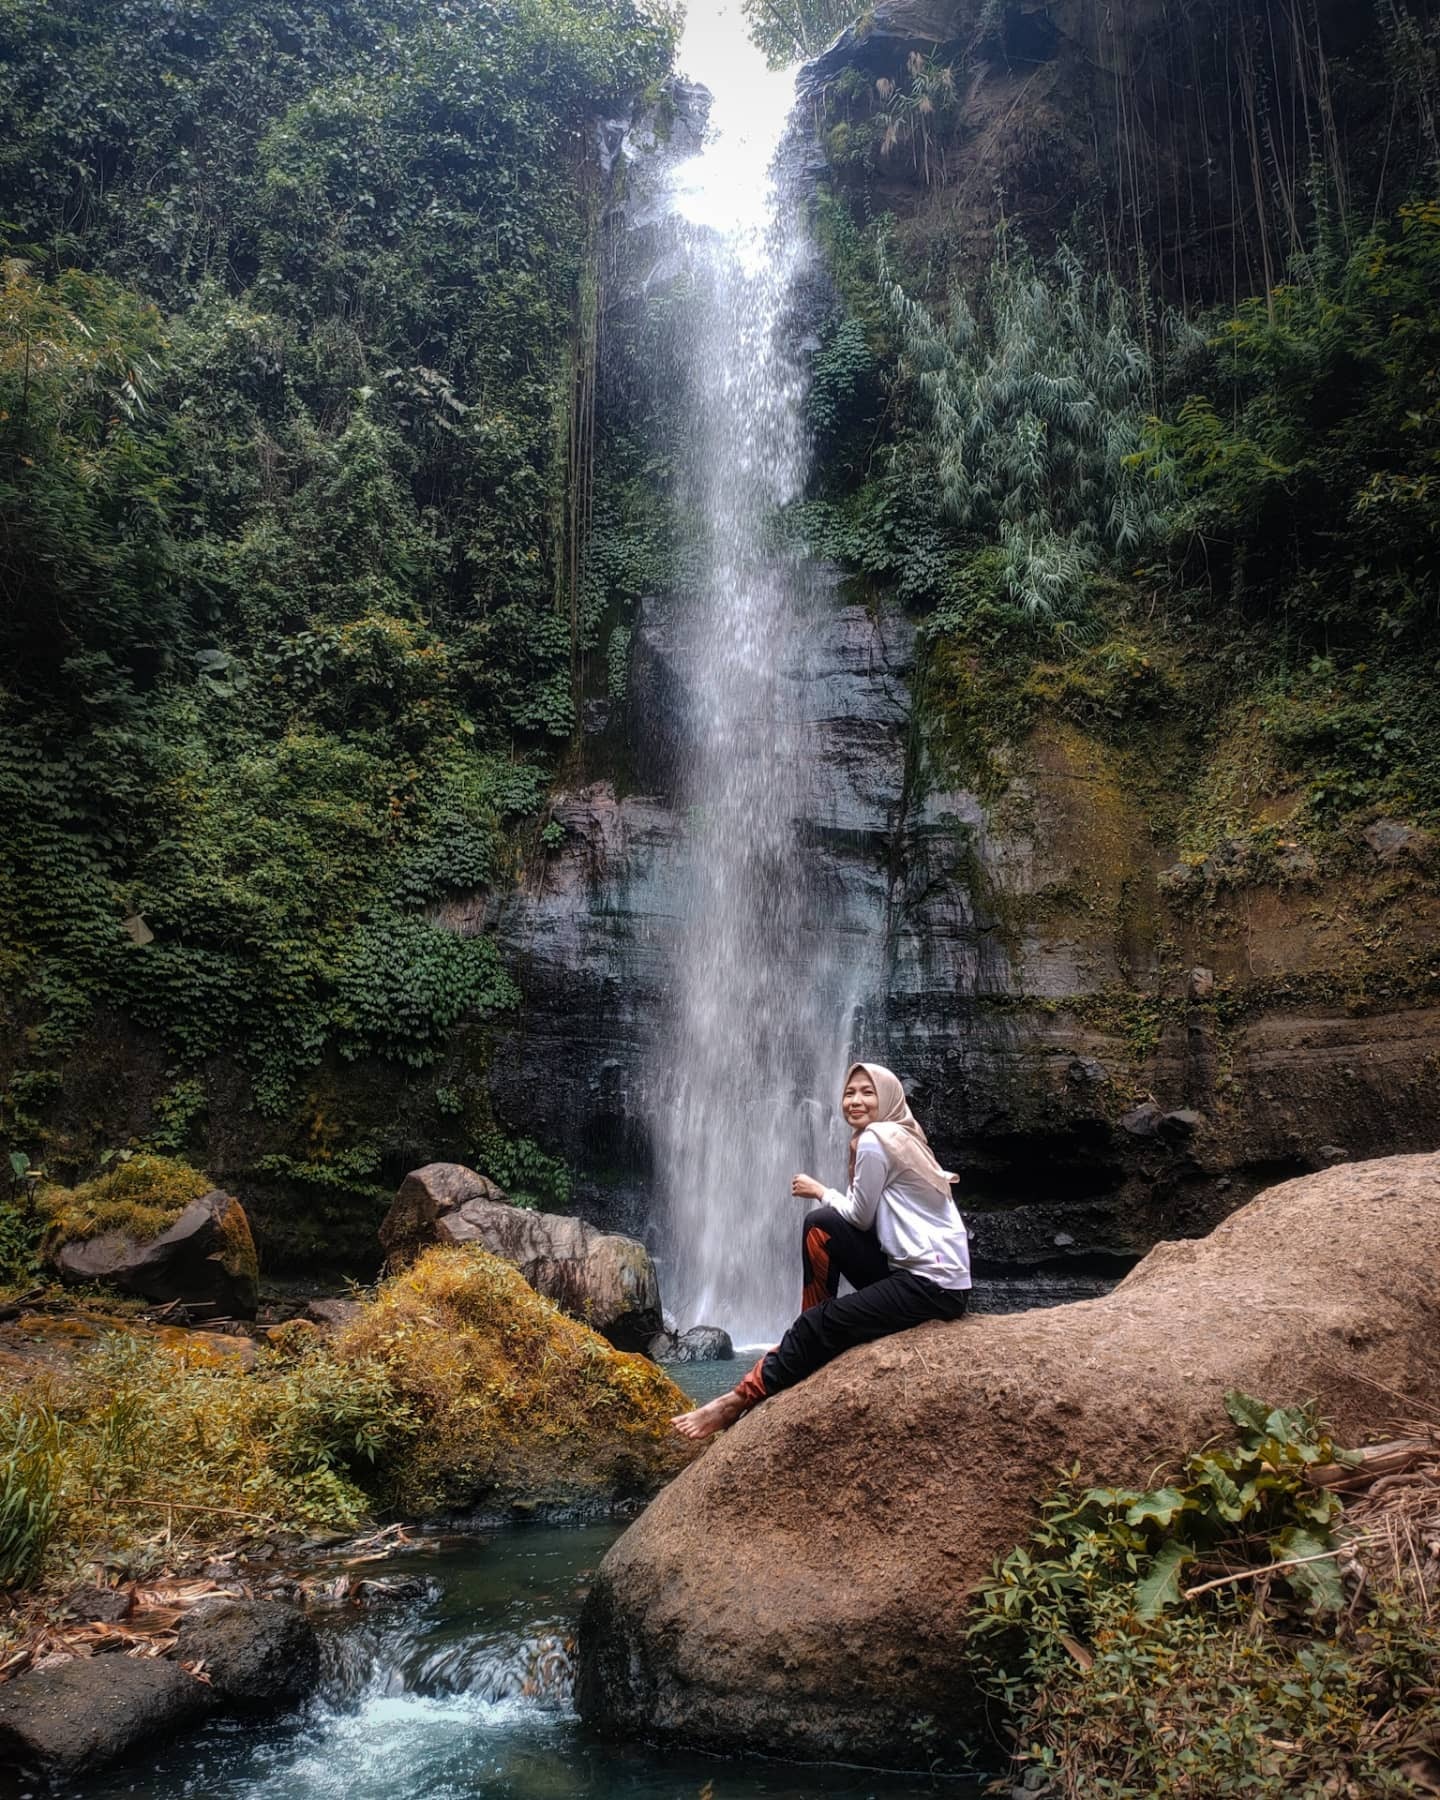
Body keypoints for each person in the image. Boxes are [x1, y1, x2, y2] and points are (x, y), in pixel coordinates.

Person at [672, 1061, 971, 1441]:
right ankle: (805, 1338)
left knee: (823, 1222)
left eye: (867, 1092)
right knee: (822, 1224)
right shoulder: (903, 1135)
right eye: (849, 1092)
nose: (855, 1101)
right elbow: (867, 1220)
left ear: (888, 1097)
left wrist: (819, 1190)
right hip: (922, 1273)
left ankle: (736, 1400)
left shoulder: (876, 1139)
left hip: (931, 1284)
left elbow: (861, 1219)